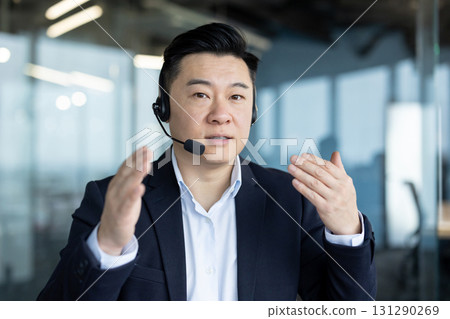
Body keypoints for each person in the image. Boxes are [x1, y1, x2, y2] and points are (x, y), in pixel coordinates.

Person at [38, 23, 376, 301]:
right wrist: (108, 246)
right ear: (164, 110)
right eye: (200, 95)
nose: (221, 115)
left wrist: (347, 231)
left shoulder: (291, 200)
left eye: (236, 97)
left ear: (253, 112)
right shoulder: (111, 199)